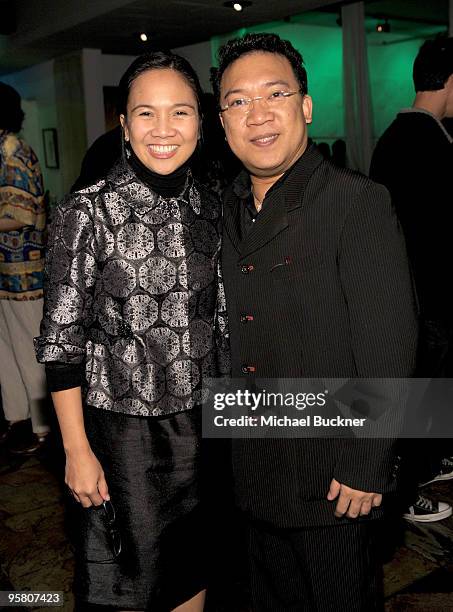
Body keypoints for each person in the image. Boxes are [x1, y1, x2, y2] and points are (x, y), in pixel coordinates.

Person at [211, 33, 418, 611]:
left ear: (305, 106)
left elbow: (389, 344)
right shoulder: (222, 206)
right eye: (238, 101)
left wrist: (365, 463)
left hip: (332, 480)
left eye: (274, 94)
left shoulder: (354, 201)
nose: (258, 114)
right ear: (222, 121)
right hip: (252, 477)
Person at [35, 51, 226, 611]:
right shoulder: (86, 212)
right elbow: (61, 343)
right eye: (146, 113)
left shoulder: (211, 207)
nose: (163, 130)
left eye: (180, 112)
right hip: (124, 442)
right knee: (128, 588)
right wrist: (75, 449)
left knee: (193, 577)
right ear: (123, 123)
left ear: (200, 122)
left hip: (207, 430)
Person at [370, 36, 453, 523]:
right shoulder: (427, 144)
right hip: (429, 296)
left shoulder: (394, 139)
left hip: (411, 293)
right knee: (420, 390)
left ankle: (423, 466)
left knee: (427, 389)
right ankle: (408, 486)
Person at [0, 82, 49, 454]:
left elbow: (21, 215)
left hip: (24, 273)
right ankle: (18, 419)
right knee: (6, 349)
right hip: (6, 272)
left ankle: (42, 427)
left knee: (30, 350)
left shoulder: (13, 152)